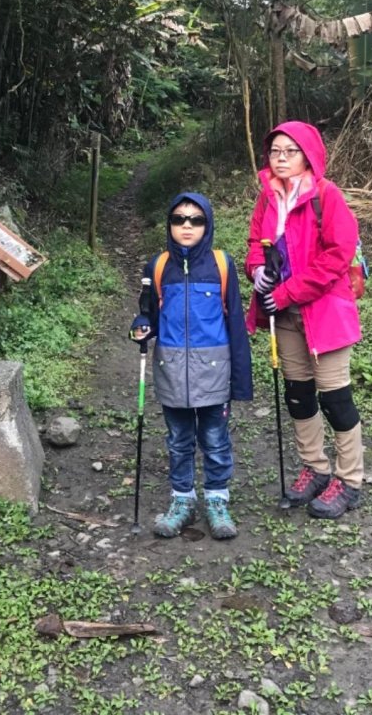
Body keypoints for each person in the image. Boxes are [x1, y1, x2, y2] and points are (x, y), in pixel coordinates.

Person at [245, 121, 364, 519]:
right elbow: (255, 245)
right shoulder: (268, 197)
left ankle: (349, 481)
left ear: (308, 154)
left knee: (335, 399)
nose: (280, 158)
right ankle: (315, 468)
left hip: (324, 312)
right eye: (275, 150)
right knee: (298, 395)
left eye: (289, 151)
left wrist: (286, 293)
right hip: (284, 314)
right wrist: (256, 269)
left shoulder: (326, 197)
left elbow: (337, 255)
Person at [130, 192, 253, 540]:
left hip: (214, 370)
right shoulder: (157, 266)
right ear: (169, 225)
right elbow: (148, 312)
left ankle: (217, 500)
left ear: (207, 224)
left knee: (215, 440)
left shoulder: (222, 265)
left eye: (195, 219)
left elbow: (236, 327)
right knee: (178, 441)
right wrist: (141, 326)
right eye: (179, 219)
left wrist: (241, 381)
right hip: (171, 370)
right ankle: (182, 500)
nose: (187, 225)